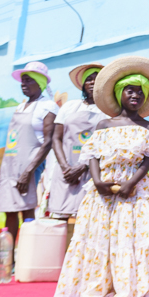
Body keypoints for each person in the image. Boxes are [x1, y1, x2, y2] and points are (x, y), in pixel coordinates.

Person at [54, 57, 149, 297]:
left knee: (133, 238)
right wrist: (97, 181)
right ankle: (98, 285)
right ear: (119, 94)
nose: (135, 95)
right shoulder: (104, 124)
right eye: (130, 90)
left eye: (141, 91)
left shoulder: (148, 127)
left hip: (133, 193)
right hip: (102, 193)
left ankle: (137, 287)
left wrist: (131, 183)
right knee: (100, 237)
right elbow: (93, 154)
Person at [0, 61, 58, 243]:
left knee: (26, 209)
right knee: (10, 211)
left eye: (28, 80)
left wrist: (28, 171)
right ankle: (8, 257)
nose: (23, 84)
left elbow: (48, 143)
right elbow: (11, 143)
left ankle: (26, 253)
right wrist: (0, 171)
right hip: (9, 167)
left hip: (28, 167)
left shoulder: (48, 107)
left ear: (40, 83)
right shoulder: (20, 107)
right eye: (22, 81)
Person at [49, 63, 105, 219]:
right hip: (65, 172)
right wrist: (65, 168)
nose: (93, 82)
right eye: (89, 79)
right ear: (82, 84)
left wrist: (83, 166)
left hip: (92, 172)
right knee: (61, 218)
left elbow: (107, 145)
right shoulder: (70, 107)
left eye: (97, 79)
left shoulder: (109, 111)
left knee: (86, 218)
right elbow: (56, 138)